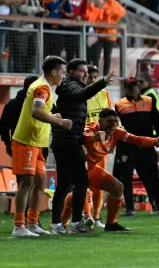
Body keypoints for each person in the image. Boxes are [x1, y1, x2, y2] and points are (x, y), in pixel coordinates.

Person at [62, 108, 159, 231]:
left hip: (92, 167)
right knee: (81, 192)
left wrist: (155, 141)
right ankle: (64, 223)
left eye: (115, 121)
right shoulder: (90, 129)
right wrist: (94, 139)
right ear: (99, 121)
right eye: (109, 121)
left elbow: (136, 139)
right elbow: (85, 137)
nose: (112, 125)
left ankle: (111, 224)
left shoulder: (116, 132)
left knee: (117, 188)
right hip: (77, 167)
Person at [50, 59, 114, 235]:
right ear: (71, 73)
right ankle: (75, 223)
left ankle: (57, 224)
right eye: (82, 71)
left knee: (64, 184)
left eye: (86, 71)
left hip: (66, 141)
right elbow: (81, 95)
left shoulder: (68, 86)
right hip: (69, 142)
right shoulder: (71, 86)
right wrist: (102, 82)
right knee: (81, 182)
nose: (85, 74)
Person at [11, 56, 72, 237]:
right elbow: (36, 111)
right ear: (53, 72)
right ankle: (18, 227)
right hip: (26, 141)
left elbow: (41, 110)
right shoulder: (42, 88)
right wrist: (59, 123)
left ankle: (32, 223)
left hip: (36, 142)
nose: (63, 76)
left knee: (40, 182)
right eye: (62, 72)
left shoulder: (45, 88)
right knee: (26, 183)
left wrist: (54, 115)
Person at [113, 77, 159, 217]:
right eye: (130, 86)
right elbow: (117, 127)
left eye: (135, 86)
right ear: (125, 89)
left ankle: (158, 205)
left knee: (152, 176)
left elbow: (156, 120)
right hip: (127, 146)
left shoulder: (149, 101)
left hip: (146, 145)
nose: (133, 89)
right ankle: (130, 208)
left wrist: (158, 139)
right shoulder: (119, 105)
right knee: (126, 178)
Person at [0, 75, 48, 229]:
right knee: (27, 183)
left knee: (31, 182)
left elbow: (3, 127)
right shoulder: (27, 103)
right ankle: (24, 221)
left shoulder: (12, 104)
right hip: (27, 145)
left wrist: (8, 143)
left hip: (32, 146)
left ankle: (31, 220)